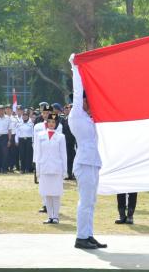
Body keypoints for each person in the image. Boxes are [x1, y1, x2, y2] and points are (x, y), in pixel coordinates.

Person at [69, 53, 106, 250]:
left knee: (91, 201)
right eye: (87, 99)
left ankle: (88, 234)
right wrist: (75, 68)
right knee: (85, 201)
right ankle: (81, 237)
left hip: (93, 162)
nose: (88, 102)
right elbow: (77, 92)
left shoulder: (91, 118)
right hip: (83, 162)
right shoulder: (76, 115)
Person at [34, 113, 67, 224]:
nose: (51, 124)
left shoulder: (61, 137)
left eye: (53, 122)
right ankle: (49, 216)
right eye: (49, 122)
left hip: (56, 168)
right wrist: (38, 169)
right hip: (44, 167)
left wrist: (64, 170)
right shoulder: (40, 136)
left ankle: (56, 216)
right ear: (46, 123)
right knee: (47, 193)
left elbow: (64, 155)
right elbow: (38, 153)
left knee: (56, 193)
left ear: (56, 123)